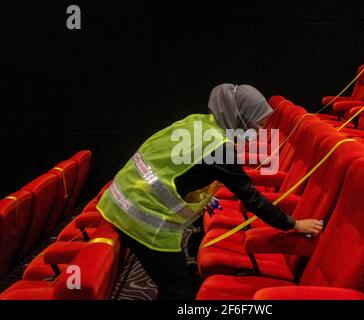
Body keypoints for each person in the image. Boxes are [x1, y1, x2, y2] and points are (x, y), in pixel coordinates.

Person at [97, 83, 323, 300]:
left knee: (179, 278)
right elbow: (251, 198)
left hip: (118, 199)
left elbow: (177, 168)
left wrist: (201, 195)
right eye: (257, 125)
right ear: (240, 119)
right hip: (144, 221)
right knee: (178, 291)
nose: (260, 131)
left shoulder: (197, 122)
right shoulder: (220, 147)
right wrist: (293, 224)